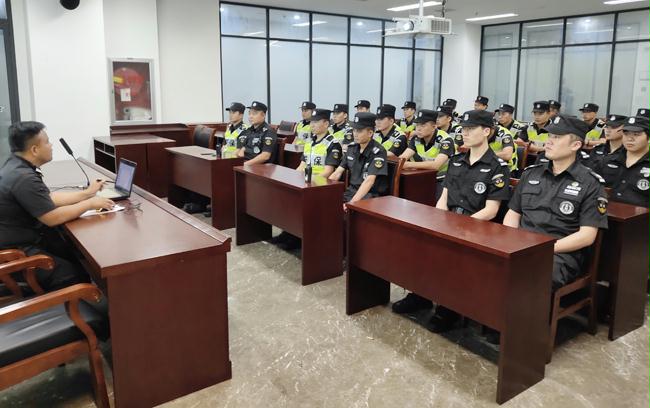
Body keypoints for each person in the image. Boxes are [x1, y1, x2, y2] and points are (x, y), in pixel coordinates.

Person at [393, 110, 511, 333]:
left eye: (471, 129)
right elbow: (444, 197)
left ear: (486, 131)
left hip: (477, 226)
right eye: (463, 129)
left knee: (452, 252)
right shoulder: (456, 161)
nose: (464, 133)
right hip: (450, 218)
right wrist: (440, 221)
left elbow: (491, 210)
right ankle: (421, 295)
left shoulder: (498, 167)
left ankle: (450, 307)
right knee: (418, 241)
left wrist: (459, 226)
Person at [0, 121, 114, 292]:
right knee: (75, 273)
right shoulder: (23, 178)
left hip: (19, 240)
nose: (51, 145)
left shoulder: (15, 165)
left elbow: (47, 199)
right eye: (47, 142)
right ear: (34, 150)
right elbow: (52, 218)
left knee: (71, 250)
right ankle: (83, 302)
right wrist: (89, 204)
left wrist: (87, 193)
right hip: (17, 253)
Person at [504, 115, 608, 292]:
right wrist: (512, 241)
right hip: (521, 246)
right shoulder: (531, 174)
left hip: (559, 253)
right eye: (550, 136)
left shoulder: (590, 183)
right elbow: (513, 214)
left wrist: (542, 249)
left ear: (575, 145)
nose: (549, 142)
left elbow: (587, 236)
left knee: (526, 277)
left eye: (557, 137)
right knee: (486, 264)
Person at [592, 115, 650, 208]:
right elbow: (591, 190)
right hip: (606, 214)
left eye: (636, 134)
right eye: (626, 134)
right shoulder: (607, 161)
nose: (630, 139)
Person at [329, 112, 388, 204]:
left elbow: (369, 181)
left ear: (370, 133)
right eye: (354, 130)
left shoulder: (378, 152)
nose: (355, 134)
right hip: (351, 192)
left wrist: (351, 203)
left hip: (369, 196)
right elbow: (337, 173)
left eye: (359, 131)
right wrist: (324, 188)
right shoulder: (351, 148)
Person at [297, 109, 342, 179]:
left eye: (315, 122)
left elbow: (328, 171)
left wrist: (311, 181)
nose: (312, 125)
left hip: (320, 182)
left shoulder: (333, 144)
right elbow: (302, 166)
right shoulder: (309, 142)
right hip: (305, 180)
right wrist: (295, 178)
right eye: (311, 122)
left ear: (326, 124)